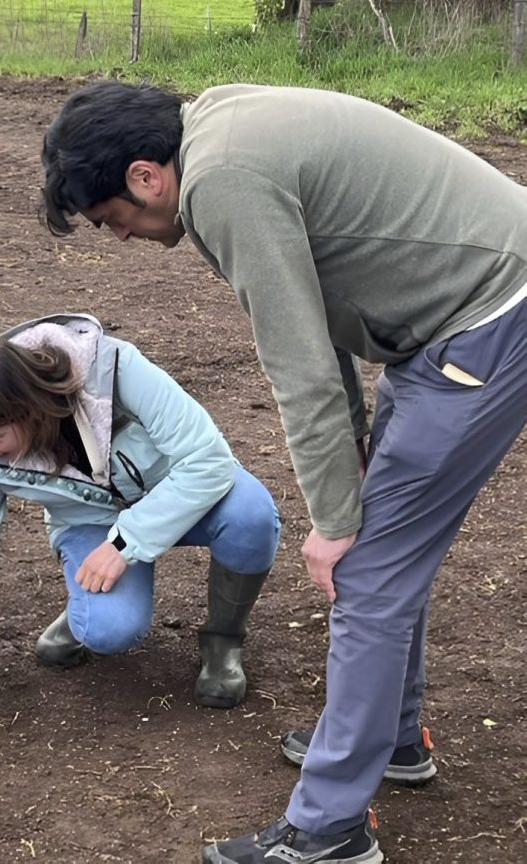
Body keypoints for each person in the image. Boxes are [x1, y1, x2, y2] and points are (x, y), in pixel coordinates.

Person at [39, 81, 527, 864]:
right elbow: (317, 305)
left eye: (110, 220)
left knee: (368, 568)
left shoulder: (221, 179)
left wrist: (333, 524)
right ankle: (391, 739)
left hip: (485, 319)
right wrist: (355, 453)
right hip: (442, 323)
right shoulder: (220, 127)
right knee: (384, 554)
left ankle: (330, 829)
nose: (121, 237)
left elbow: (295, 361)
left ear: (143, 175)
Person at [0, 313, 280, 735]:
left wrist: (125, 543)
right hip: (92, 521)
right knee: (109, 631)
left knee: (251, 517)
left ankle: (223, 640)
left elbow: (207, 461)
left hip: (182, 494)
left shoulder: (116, 371)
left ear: (29, 412)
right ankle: (82, 612)